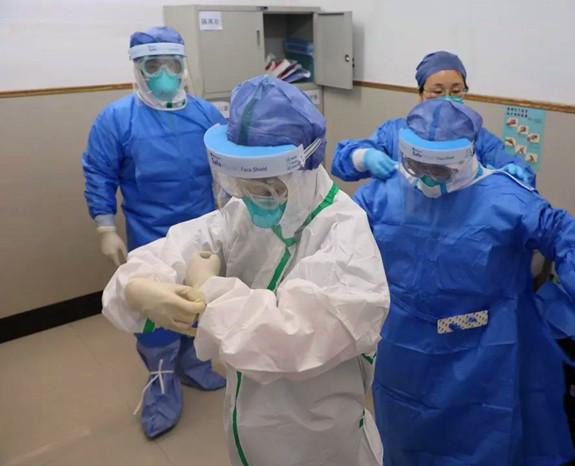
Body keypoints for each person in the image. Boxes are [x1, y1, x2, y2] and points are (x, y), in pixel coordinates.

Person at [101, 75, 390, 465]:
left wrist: (208, 289)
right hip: (247, 428)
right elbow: (180, 245)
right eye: (241, 180)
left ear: (304, 168)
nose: (252, 194)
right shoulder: (243, 213)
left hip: (320, 440)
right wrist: (136, 285)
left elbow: (289, 339)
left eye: (267, 183)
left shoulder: (344, 234)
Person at [353, 99, 575, 465]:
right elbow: (349, 253)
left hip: (479, 355)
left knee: (479, 442)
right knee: (403, 440)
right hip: (404, 352)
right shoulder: (381, 194)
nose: (427, 179)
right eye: (417, 166)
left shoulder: (505, 198)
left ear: (467, 156)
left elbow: (564, 234)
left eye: (440, 169)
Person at [81, 26, 226, 438]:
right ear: (137, 68)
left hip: (202, 233)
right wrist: (105, 227)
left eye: (172, 64)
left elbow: (224, 170)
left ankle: (194, 363)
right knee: (156, 314)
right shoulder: (116, 119)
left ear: (184, 66)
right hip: (151, 237)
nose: (164, 74)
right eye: (153, 65)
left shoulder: (206, 115)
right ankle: (161, 383)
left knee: (200, 301)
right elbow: (99, 173)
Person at [332, 50, 536, 187]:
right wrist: (362, 157)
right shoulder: (394, 133)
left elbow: (509, 162)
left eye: (456, 91)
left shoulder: (479, 138)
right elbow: (342, 163)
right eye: (437, 92)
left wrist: (516, 173)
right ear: (420, 94)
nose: (447, 99)